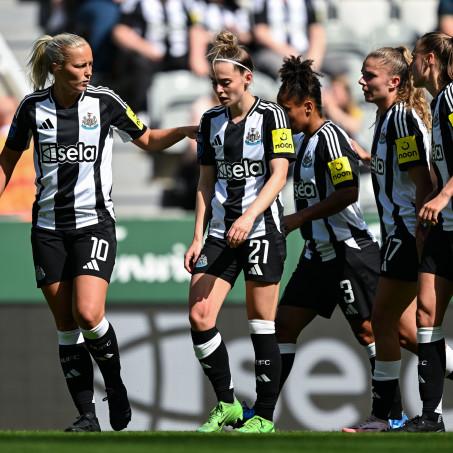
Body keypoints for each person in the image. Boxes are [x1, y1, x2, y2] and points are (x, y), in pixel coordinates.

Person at [0, 33, 196, 432]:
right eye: (79, 65)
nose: (88, 71)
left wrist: (184, 130)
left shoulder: (104, 101)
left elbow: (148, 140)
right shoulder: (33, 109)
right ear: (56, 67)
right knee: (66, 326)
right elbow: (8, 160)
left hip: (94, 224)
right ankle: (87, 414)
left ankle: (117, 387)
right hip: (48, 230)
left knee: (88, 313)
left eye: (90, 63)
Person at [184, 30, 295, 433]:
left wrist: (248, 217)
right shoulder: (210, 121)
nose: (218, 89)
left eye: (226, 82)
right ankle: (228, 402)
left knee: (261, 323)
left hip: (261, 229)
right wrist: (197, 235)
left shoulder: (272, 116)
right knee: (199, 314)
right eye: (214, 82)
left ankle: (264, 415)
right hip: (218, 232)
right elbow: (204, 182)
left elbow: (279, 174)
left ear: (247, 78)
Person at [342, 46, 453, 433]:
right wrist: (367, 158)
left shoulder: (402, 119)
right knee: (404, 328)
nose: (361, 81)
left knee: (384, 320)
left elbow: (422, 182)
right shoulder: (391, 118)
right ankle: (387, 414)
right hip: (401, 232)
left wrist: (420, 234)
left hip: (406, 233)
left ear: (394, 81)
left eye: (369, 75)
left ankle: (384, 415)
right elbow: (403, 171)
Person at [272, 56, 382, 422]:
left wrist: (297, 218)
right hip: (317, 255)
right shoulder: (303, 142)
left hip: (348, 251)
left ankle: (391, 413)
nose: (284, 116)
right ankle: (262, 415)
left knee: (373, 331)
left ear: (307, 106)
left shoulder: (331, 138)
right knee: (284, 325)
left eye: (287, 109)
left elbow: (348, 191)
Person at [395, 31, 453, 432]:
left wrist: (443, 196)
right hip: (442, 229)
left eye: (414, 57)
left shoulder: (451, 99)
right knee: (426, 315)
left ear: (429, 59)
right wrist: (431, 200)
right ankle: (431, 415)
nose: (411, 64)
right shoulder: (436, 104)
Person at [251, 0, 325, 79]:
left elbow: (316, 30)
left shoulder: (308, 2)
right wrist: (287, 51)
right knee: (288, 72)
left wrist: (313, 60)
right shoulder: (261, 2)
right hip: (273, 51)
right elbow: (260, 32)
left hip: (303, 51)